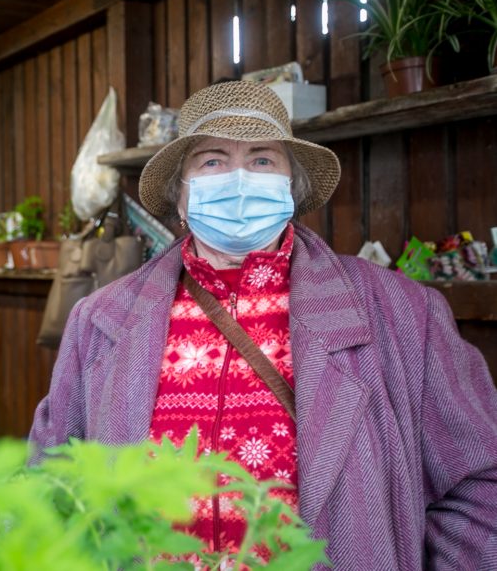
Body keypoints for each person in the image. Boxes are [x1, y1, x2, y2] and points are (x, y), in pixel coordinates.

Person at [28, 80, 497, 569]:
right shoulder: (102, 321)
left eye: (261, 160)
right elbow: (52, 482)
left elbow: (481, 482)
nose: (238, 179)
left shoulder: (402, 314)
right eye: (211, 161)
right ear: (180, 199)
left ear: (290, 188)